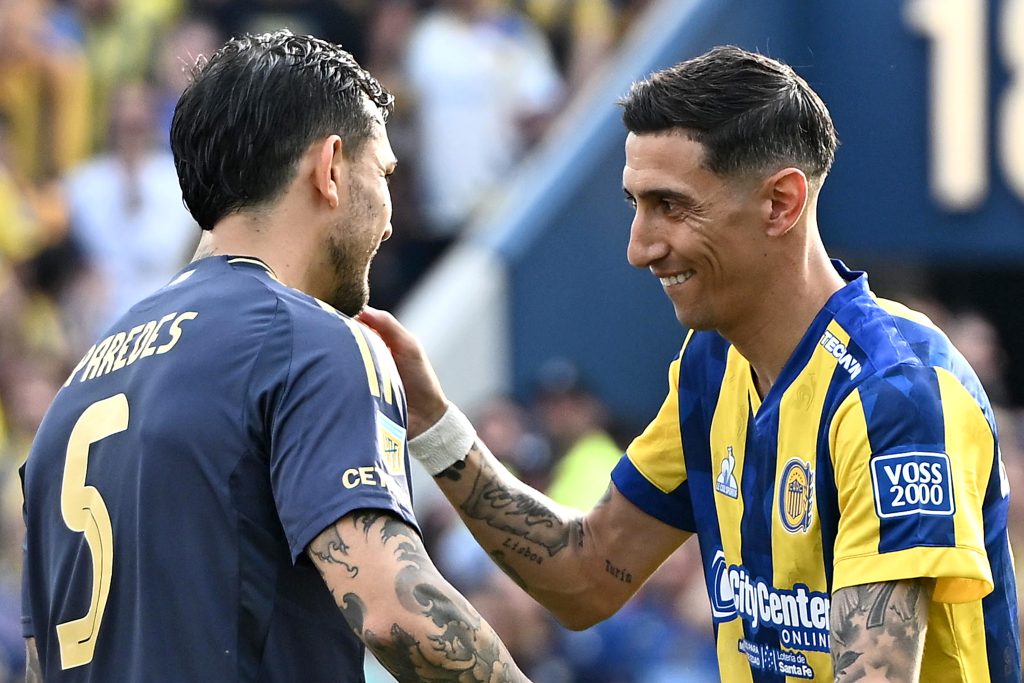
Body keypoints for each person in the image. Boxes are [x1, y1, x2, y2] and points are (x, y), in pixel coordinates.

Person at [359, 45, 1021, 682]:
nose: (639, 247)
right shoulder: (713, 361)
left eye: (670, 206)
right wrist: (433, 421)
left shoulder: (894, 393)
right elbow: (586, 575)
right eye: (636, 204)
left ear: (780, 203)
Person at [20, 29, 529, 682]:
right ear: (330, 168)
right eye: (385, 174)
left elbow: (39, 667)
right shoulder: (309, 341)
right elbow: (394, 611)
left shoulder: (74, 392)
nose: (391, 217)